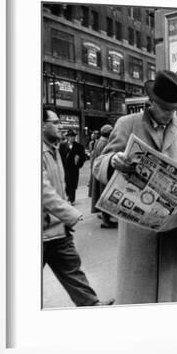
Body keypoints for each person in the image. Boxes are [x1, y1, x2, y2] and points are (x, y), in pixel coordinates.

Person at [93, 70, 177, 304]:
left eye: (174, 110)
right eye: (165, 109)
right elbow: (99, 162)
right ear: (151, 102)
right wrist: (113, 160)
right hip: (138, 227)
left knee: (168, 295)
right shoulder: (128, 124)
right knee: (137, 294)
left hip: (171, 226)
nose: (170, 115)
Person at [42, 108, 113, 306]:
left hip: (57, 229)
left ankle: (92, 305)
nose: (60, 126)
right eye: (55, 123)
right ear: (41, 125)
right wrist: (71, 214)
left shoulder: (54, 148)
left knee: (72, 270)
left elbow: (59, 187)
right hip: (41, 232)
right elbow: (42, 191)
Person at [90, 124, 116, 228]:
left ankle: (104, 217)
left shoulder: (98, 142)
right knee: (105, 195)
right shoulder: (105, 143)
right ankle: (106, 220)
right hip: (103, 173)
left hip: (98, 172)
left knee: (101, 195)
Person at [59, 130, 86, 204]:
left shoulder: (79, 146)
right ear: (67, 137)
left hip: (74, 169)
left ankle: (71, 200)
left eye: (73, 136)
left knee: (73, 184)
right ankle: (67, 197)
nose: (72, 138)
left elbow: (83, 157)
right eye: (70, 136)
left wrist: (79, 161)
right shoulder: (62, 146)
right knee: (66, 183)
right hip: (65, 168)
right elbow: (59, 157)